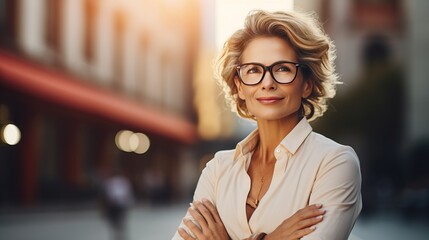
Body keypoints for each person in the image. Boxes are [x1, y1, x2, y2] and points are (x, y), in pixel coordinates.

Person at [173, 9, 362, 240]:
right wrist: (275, 237)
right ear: (240, 86)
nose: (267, 82)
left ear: (307, 84)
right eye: (253, 70)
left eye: (282, 69)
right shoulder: (218, 169)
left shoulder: (335, 163)